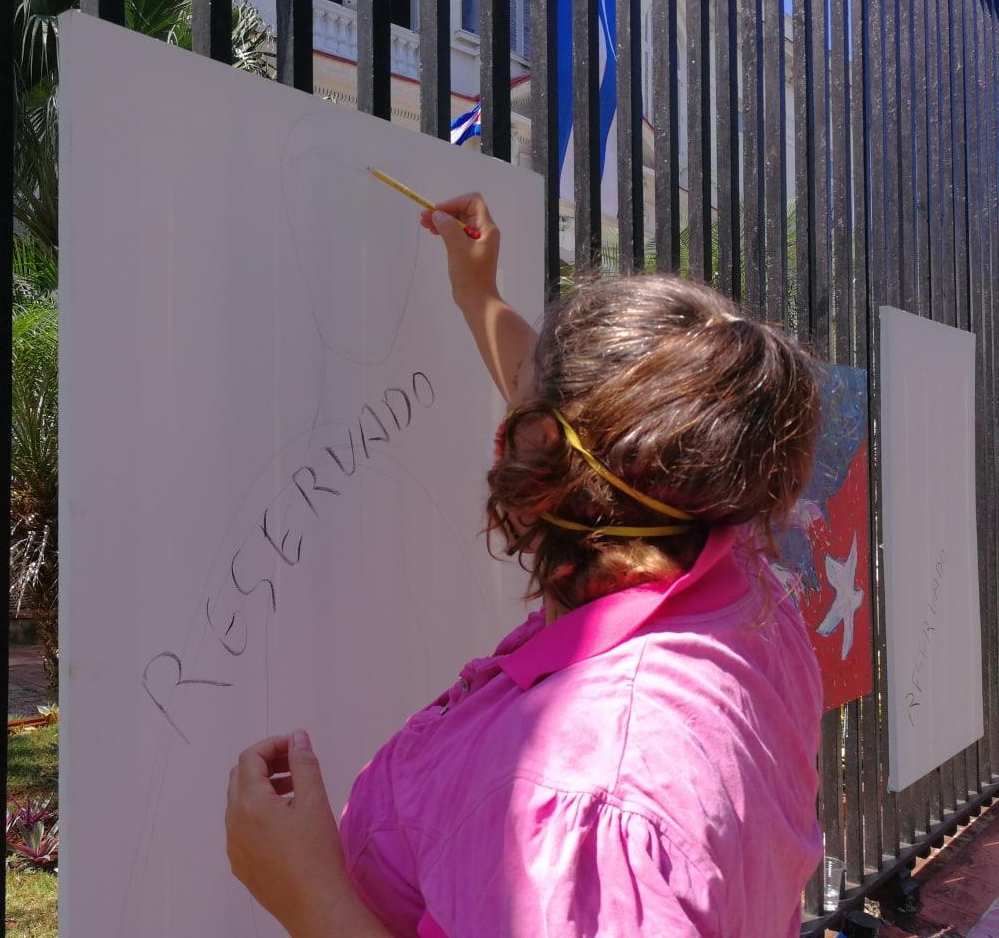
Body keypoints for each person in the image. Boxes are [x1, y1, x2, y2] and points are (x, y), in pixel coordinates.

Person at [225, 193, 824, 937]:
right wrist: (477, 295)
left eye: (522, 405)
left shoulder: (589, 797)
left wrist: (311, 898)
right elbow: (585, 416)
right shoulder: (738, 574)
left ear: (543, 449)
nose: (508, 403)